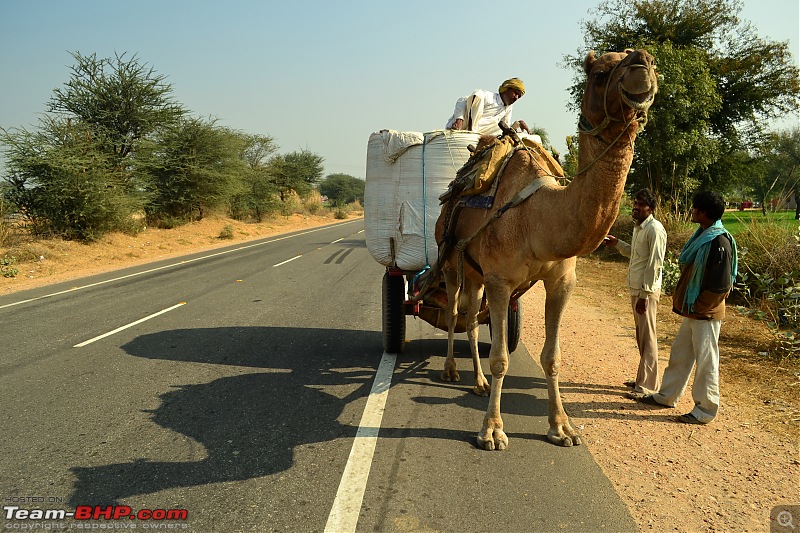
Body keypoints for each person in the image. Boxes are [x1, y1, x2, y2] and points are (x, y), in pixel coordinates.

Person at [629, 191, 738, 425]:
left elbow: (722, 286)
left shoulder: (719, 242)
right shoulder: (703, 236)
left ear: (704, 212)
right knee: (680, 355)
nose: (692, 211)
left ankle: (705, 410)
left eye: (696, 208)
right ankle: (667, 396)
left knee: (706, 362)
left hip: (705, 313)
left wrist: (699, 307)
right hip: (694, 310)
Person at [604, 188, 667, 396]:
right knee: (642, 337)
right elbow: (637, 255)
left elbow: (654, 264)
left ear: (650, 208)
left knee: (648, 337)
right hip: (637, 289)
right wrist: (617, 244)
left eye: (640, 204)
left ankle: (648, 386)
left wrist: (644, 295)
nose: (636, 207)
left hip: (645, 292)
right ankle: (643, 378)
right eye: (635, 203)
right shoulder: (639, 228)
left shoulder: (655, 230)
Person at [445, 78, 531, 137]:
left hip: (481, 134)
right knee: (477, 95)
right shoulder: (488, 96)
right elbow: (462, 100)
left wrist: (518, 124)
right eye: (515, 93)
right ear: (506, 89)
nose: (516, 98)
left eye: (519, 96)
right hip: (463, 128)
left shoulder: (508, 108)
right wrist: (459, 119)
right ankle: (471, 131)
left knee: (521, 136)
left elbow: (504, 126)